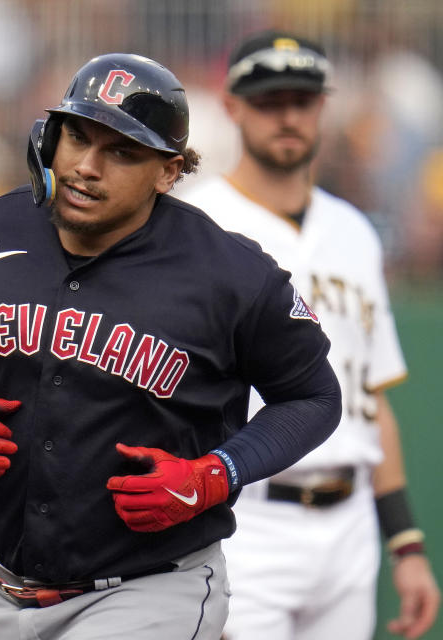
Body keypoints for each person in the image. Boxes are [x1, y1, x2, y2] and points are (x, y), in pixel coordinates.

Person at [0, 52, 342, 640]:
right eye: (76, 137)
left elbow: (313, 397)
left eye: (122, 151)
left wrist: (216, 473)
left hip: (147, 592)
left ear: (169, 171)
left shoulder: (229, 274)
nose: (86, 167)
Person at [180, 30, 440, 640]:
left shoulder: (355, 231)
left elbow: (373, 402)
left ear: (324, 107)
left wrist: (406, 544)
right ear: (233, 105)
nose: (288, 115)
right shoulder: (194, 222)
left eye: (302, 99)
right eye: (270, 100)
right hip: (245, 517)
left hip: (349, 529)